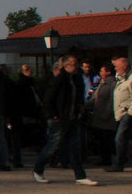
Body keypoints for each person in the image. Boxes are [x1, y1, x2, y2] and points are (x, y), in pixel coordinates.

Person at [32, 55, 97, 185]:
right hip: (60, 119)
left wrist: (80, 107)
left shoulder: (76, 79)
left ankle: (80, 175)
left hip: (72, 117)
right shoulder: (59, 80)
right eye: (73, 64)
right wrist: (53, 115)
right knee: (53, 146)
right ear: (66, 66)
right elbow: (48, 99)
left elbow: (77, 96)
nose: (76, 66)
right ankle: (38, 170)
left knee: (75, 147)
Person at [105, 55, 132, 172]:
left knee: (120, 138)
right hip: (122, 113)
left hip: (129, 113)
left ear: (124, 66)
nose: (115, 68)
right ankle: (120, 161)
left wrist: (131, 112)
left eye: (116, 66)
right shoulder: (122, 77)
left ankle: (118, 164)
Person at [9, 65, 38, 168]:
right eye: (27, 70)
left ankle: (17, 158)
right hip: (23, 113)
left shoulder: (28, 83)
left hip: (23, 113)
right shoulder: (24, 84)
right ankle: (17, 158)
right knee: (18, 137)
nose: (30, 71)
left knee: (18, 137)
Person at [89, 64, 117, 166]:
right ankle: (103, 158)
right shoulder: (101, 83)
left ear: (108, 72)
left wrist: (106, 114)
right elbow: (95, 97)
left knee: (107, 139)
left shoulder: (112, 83)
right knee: (101, 138)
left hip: (106, 116)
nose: (101, 73)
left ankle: (107, 159)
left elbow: (112, 100)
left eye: (102, 71)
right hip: (98, 114)